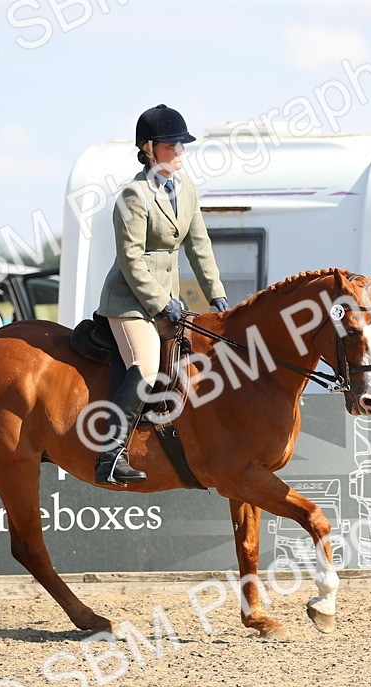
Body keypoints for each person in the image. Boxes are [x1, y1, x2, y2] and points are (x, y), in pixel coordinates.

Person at [93, 104, 229, 486]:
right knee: (148, 366)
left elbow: (199, 246)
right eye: (172, 145)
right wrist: (158, 302)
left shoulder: (186, 190)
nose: (180, 151)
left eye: (182, 145)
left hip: (169, 300)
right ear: (149, 148)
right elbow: (131, 258)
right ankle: (111, 453)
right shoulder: (133, 196)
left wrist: (216, 294)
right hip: (129, 302)